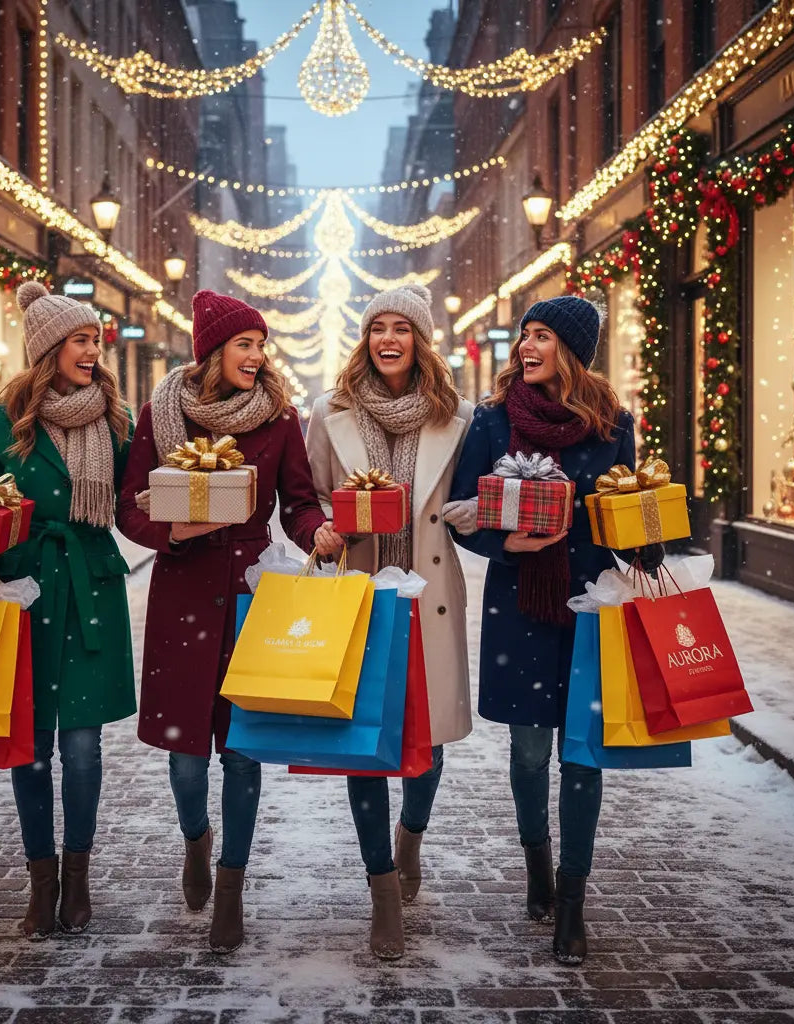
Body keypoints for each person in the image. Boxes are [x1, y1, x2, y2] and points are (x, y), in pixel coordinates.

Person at [116, 290, 335, 954]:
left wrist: (317, 532)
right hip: (182, 590)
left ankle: (231, 890)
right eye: (245, 343)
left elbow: (296, 503)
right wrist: (176, 529)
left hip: (250, 595)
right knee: (186, 760)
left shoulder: (280, 418)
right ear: (212, 352)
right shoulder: (162, 414)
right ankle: (196, 843)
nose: (257, 355)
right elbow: (131, 508)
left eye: (261, 344)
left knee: (241, 752)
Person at [445, 295, 650, 965]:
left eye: (542, 337)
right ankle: (538, 864)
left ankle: (572, 902)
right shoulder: (494, 421)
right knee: (532, 754)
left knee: (582, 755)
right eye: (525, 335)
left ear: (572, 350)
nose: (527, 347)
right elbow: (460, 517)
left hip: (591, 605)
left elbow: (630, 512)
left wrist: (646, 540)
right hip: (522, 609)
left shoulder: (612, 422)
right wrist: (512, 550)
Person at [0, 280, 136, 940]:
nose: (92, 350)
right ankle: (42, 882)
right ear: (48, 348)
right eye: (80, 340)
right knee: (29, 748)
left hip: (91, 588)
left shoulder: (114, 420)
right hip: (28, 593)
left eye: (95, 340)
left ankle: (79, 875)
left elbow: (138, 499)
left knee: (83, 748)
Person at [305, 283, 474, 960]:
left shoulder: (457, 415)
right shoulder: (331, 411)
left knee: (427, 744)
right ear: (366, 338)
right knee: (366, 743)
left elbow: (468, 495)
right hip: (361, 591)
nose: (389, 338)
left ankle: (411, 838)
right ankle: (382, 892)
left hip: (427, 591)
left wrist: (473, 514)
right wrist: (324, 525)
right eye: (378, 326)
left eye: (402, 326)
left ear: (420, 339)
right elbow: (314, 490)